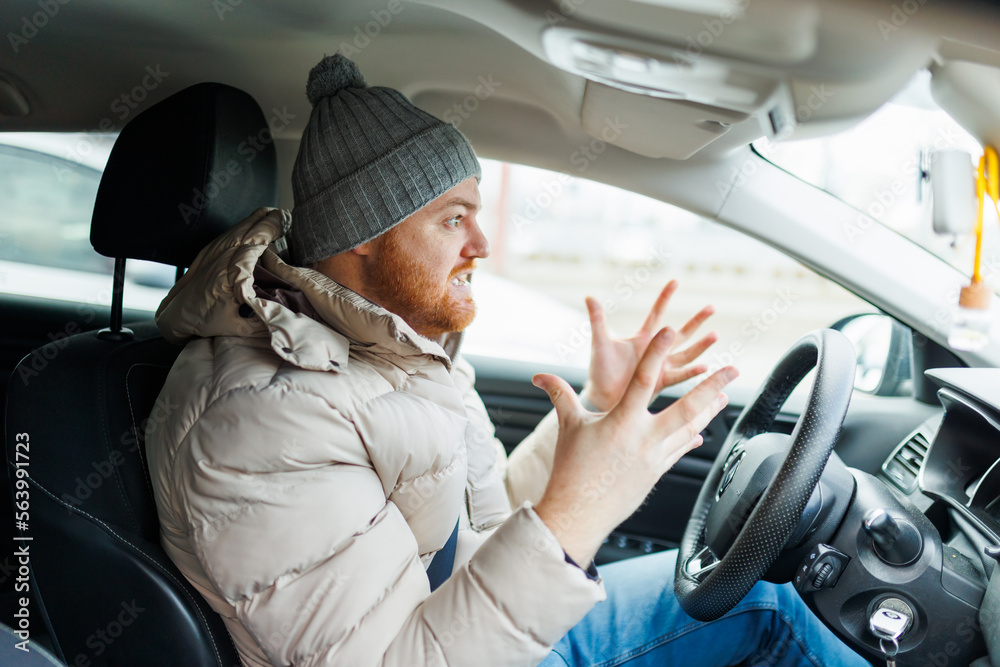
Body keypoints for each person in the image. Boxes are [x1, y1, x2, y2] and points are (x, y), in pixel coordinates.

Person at [146, 54, 869, 667]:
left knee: (769, 595)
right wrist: (584, 505)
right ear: (361, 236)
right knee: (772, 612)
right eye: (452, 218)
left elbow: (481, 528)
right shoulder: (261, 418)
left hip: (487, 629)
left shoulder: (398, 349)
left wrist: (591, 412)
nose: (482, 244)